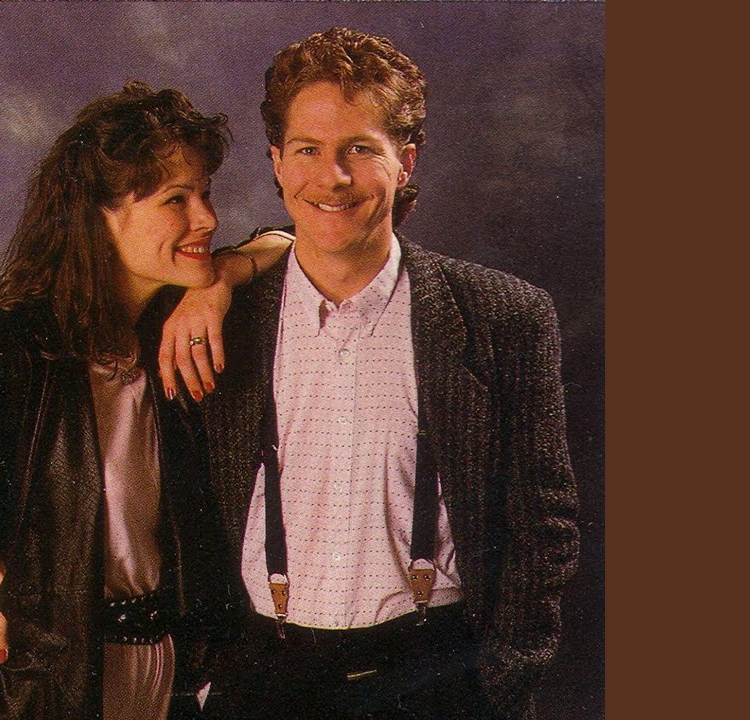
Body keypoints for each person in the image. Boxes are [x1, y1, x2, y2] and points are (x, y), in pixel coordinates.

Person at [160, 28, 580, 720]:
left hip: (436, 676)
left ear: (405, 161)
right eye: (307, 150)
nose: (333, 178)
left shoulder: (503, 315)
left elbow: (545, 524)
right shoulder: (218, 322)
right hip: (263, 679)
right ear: (276, 161)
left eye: (360, 148)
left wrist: (500, 684)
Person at [0, 81, 286, 720]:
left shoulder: (172, 336)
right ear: (97, 216)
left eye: (205, 193)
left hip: (168, 678)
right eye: (175, 199)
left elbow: (294, 240)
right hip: (35, 688)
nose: (207, 219)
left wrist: (219, 282)